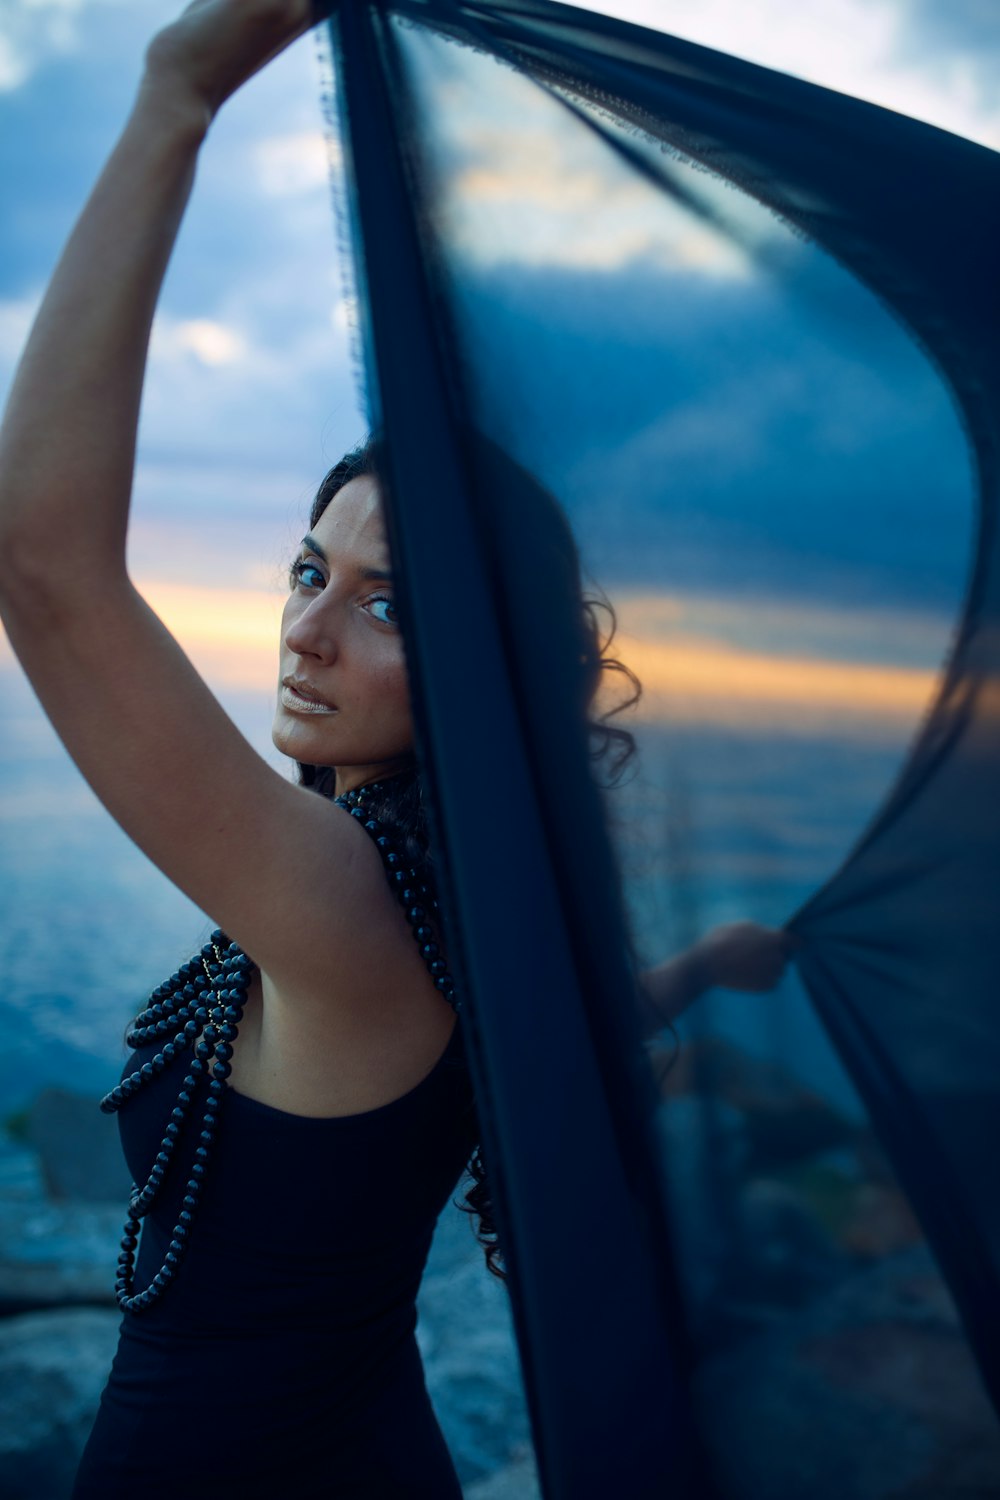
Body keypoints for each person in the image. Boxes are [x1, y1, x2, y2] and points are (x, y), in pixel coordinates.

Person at [0, 2, 788, 1494]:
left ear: (482, 675)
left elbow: (41, 564)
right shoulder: (464, 899)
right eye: (310, 574)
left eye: (389, 607)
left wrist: (175, 92)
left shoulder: (347, 907)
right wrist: (700, 968)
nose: (306, 637)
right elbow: (543, 1029)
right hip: (371, 1446)